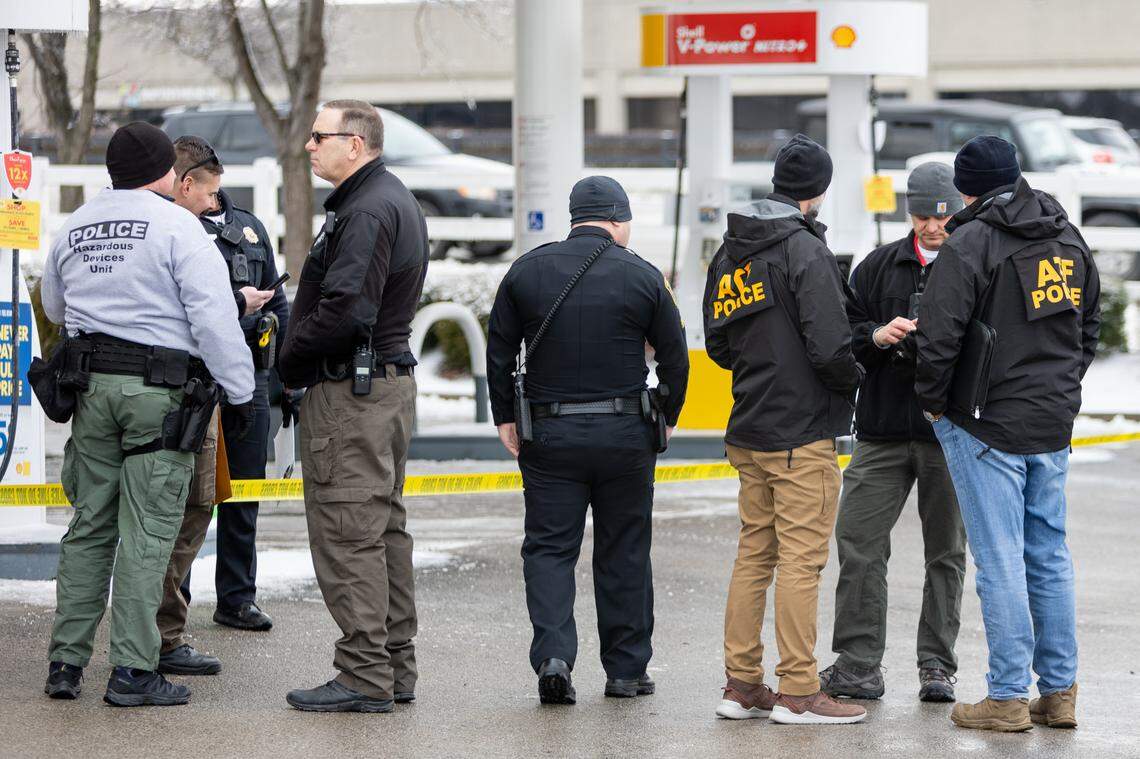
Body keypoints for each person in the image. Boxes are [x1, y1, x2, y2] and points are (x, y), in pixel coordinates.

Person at [40, 122, 255, 707]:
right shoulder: (178, 227)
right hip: (157, 396)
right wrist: (239, 395)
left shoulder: (76, 225)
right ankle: (133, 671)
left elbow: (55, 304)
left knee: (88, 527)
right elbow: (213, 320)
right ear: (167, 171)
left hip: (90, 391)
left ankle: (66, 663)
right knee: (148, 533)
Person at [916, 136, 1100, 732]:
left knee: (999, 560)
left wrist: (935, 406)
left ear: (965, 189)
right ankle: (1060, 692)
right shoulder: (1066, 236)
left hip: (986, 422)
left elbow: (938, 338)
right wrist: (1063, 388)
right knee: (1048, 555)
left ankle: (1006, 696)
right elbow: (1088, 324)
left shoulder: (970, 242)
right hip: (1051, 419)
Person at [486, 175, 688, 704]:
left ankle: (554, 655)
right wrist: (666, 413)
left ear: (573, 217)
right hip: (625, 433)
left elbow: (500, 351)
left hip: (549, 434)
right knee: (624, 549)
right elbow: (676, 355)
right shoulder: (644, 275)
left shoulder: (526, 271)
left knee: (550, 548)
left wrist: (506, 415)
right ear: (619, 221)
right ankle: (625, 672)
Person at [705, 134, 865, 725]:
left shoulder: (732, 250)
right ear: (818, 192)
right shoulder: (804, 251)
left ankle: (742, 684)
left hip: (749, 425)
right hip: (802, 434)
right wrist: (856, 376)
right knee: (802, 561)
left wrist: (763, 364)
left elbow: (718, 342)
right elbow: (831, 346)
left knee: (754, 556)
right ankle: (799, 690)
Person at [278, 100, 429, 713]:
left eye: (319, 137)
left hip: (354, 393)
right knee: (380, 528)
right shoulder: (387, 198)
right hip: (380, 389)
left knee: (349, 532)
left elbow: (345, 310)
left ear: (356, 144)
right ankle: (392, 667)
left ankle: (366, 675)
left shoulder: (366, 210)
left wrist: (288, 363)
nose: (309, 146)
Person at [819, 162, 967, 703]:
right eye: (924, 214)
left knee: (946, 552)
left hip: (949, 434)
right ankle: (858, 665)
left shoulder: (976, 261)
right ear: (910, 211)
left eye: (944, 215)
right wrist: (879, 337)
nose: (933, 226)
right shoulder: (879, 266)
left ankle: (937, 666)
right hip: (881, 430)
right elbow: (847, 336)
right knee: (858, 541)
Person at [152, 136, 289, 678]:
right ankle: (173, 603)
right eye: (207, 191)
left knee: (244, 492)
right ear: (182, 181)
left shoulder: (249, 229)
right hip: (190, 381)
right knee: (185, 500)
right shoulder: (164, 228)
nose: (216, 200)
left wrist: (284, 382)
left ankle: (237, 597)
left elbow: (278, 302)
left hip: (248, 376)